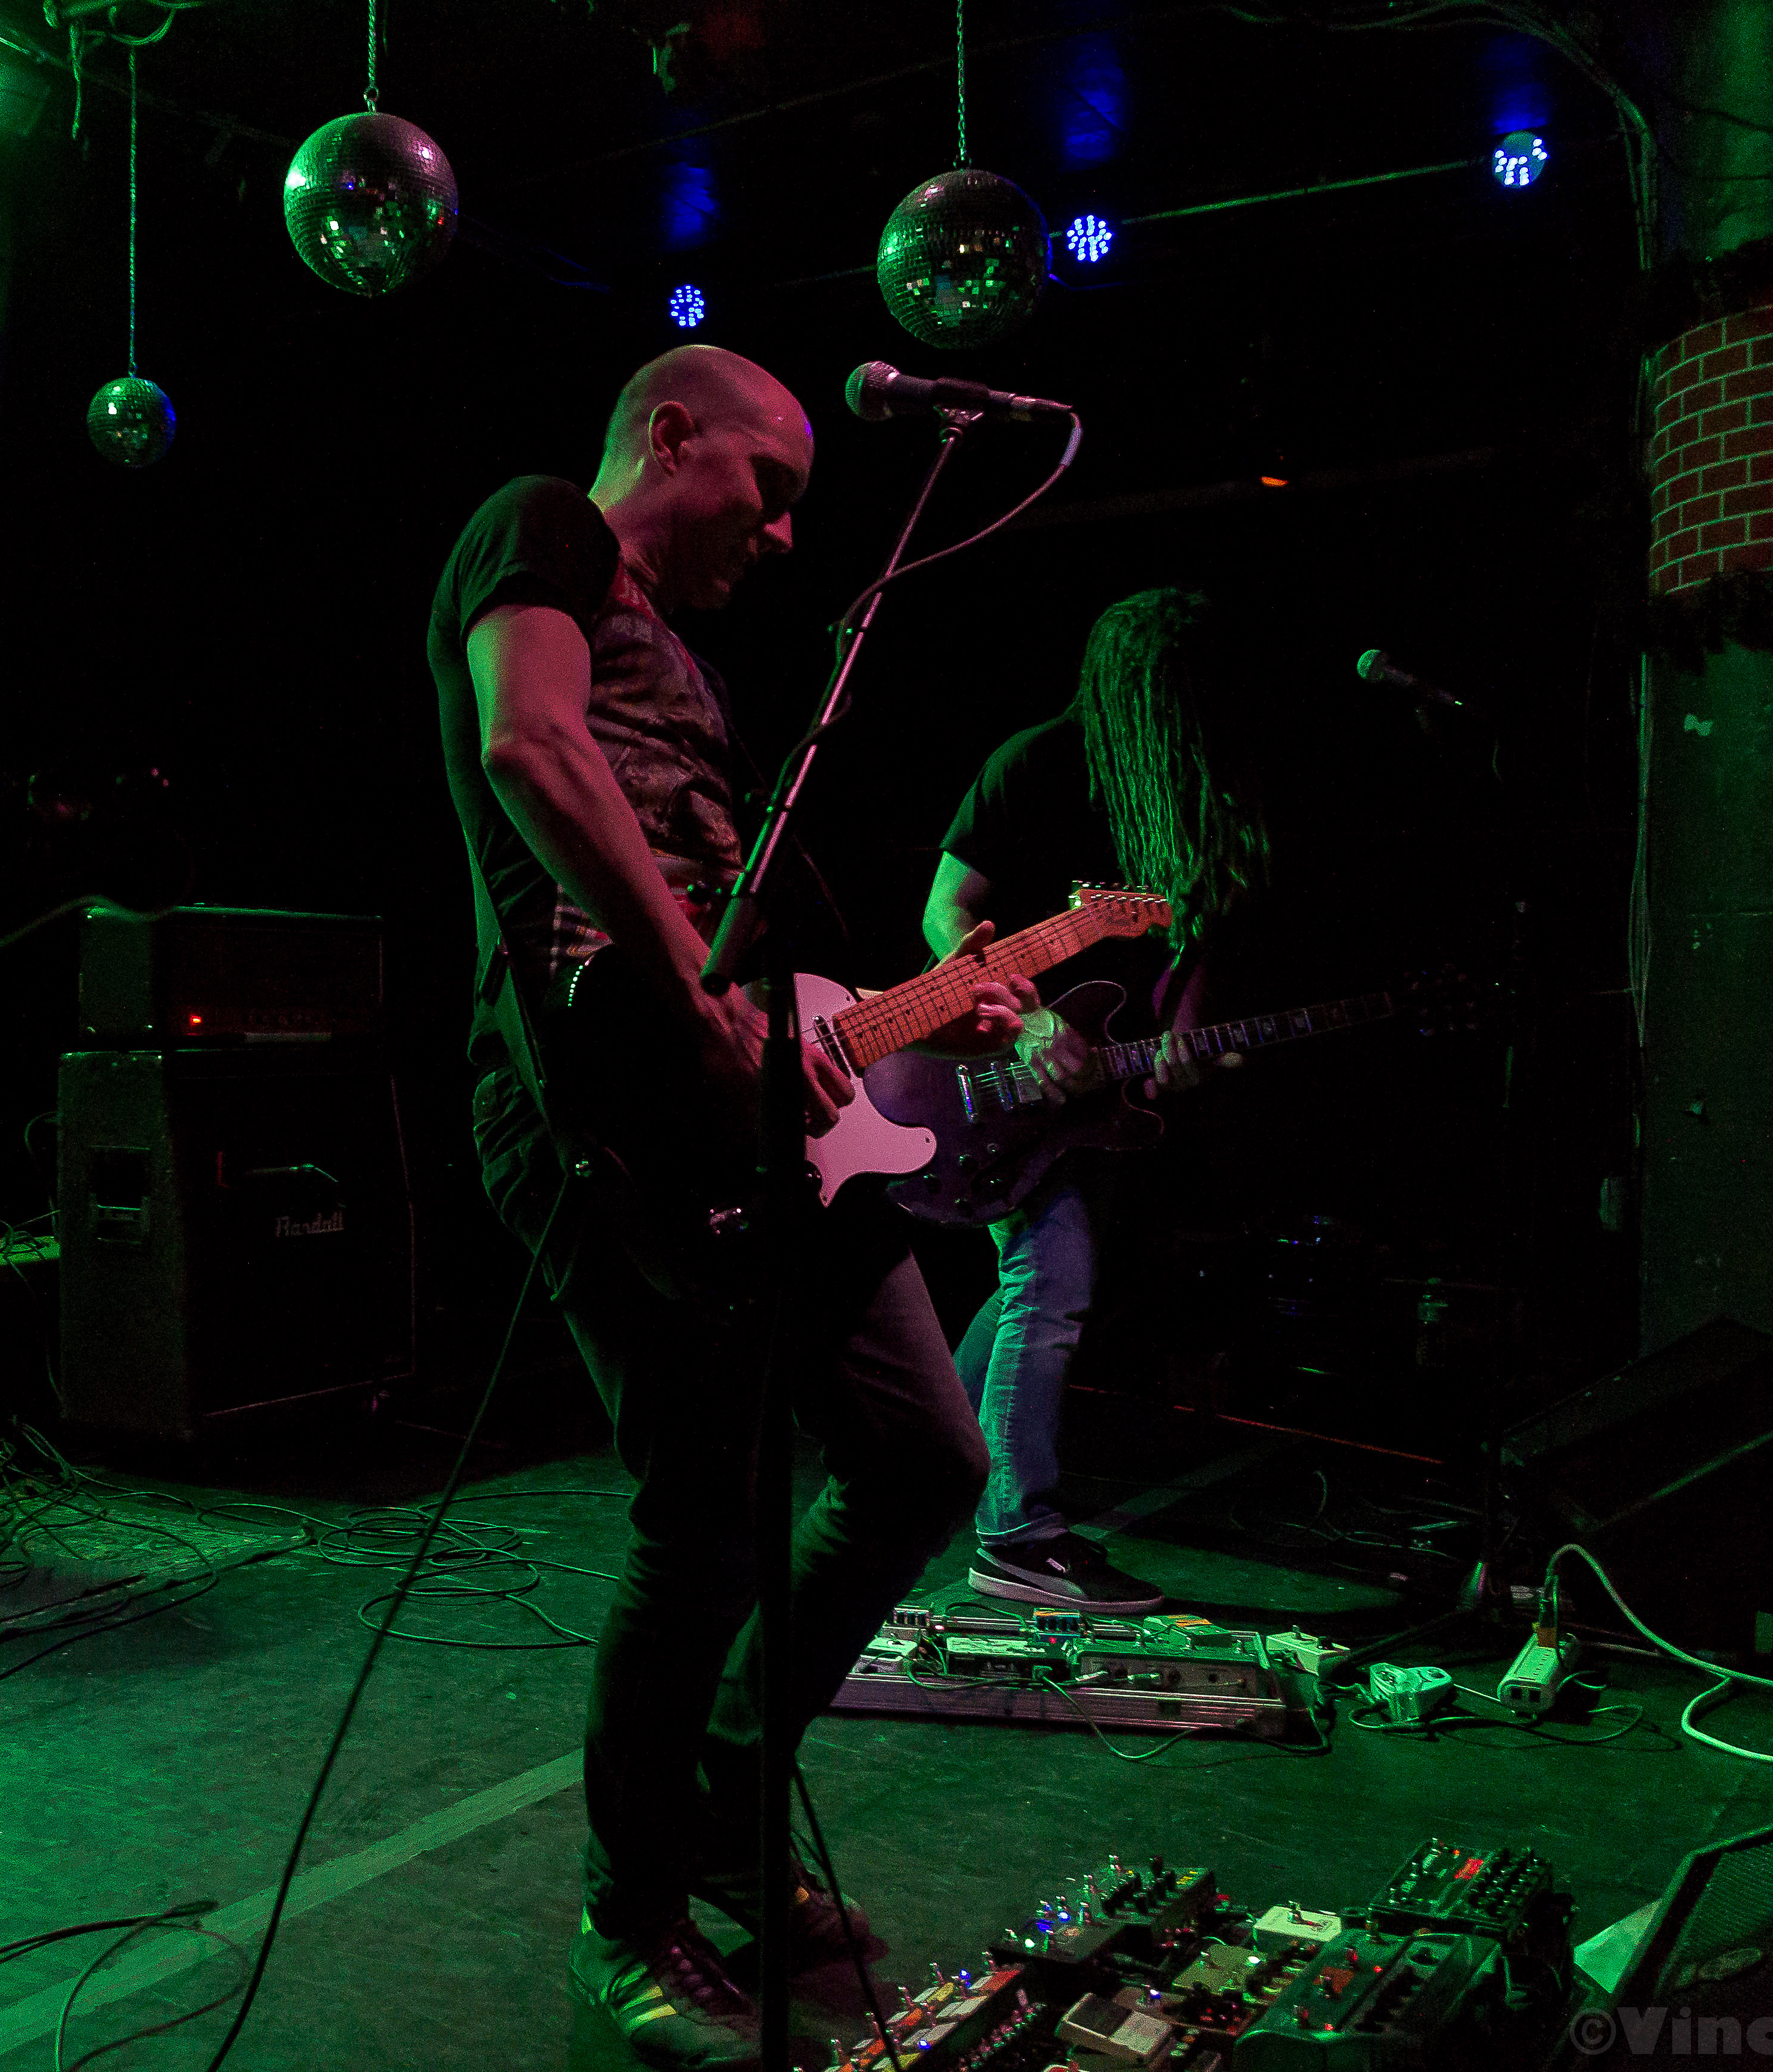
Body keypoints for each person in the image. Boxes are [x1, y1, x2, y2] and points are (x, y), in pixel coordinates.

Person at [431, 344, 1017, 2070]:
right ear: (670, 434)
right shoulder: (541, 527)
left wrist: (921, 1008)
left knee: (925, 1455)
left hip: (736, 1096)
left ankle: (725, 1805)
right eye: (768, 491)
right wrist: (697, 1000)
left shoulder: (695, 674)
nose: (780, 537)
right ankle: (627, 1924)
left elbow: (763, 968)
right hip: (593, 1098)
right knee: (700, 1517)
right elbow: (529, 742)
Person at [919, 588, 1256, 1615]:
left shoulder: (1190, 789)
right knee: (1048, 1278)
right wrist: (1024, 1022)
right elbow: (944, 909)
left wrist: (1183, 1037)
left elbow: (1198, 931)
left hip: (1098, 1093)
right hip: (995, 1072)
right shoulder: (1035, 762)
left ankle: (928, 1459)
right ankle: (1017, 1534)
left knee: (1037, 1283)